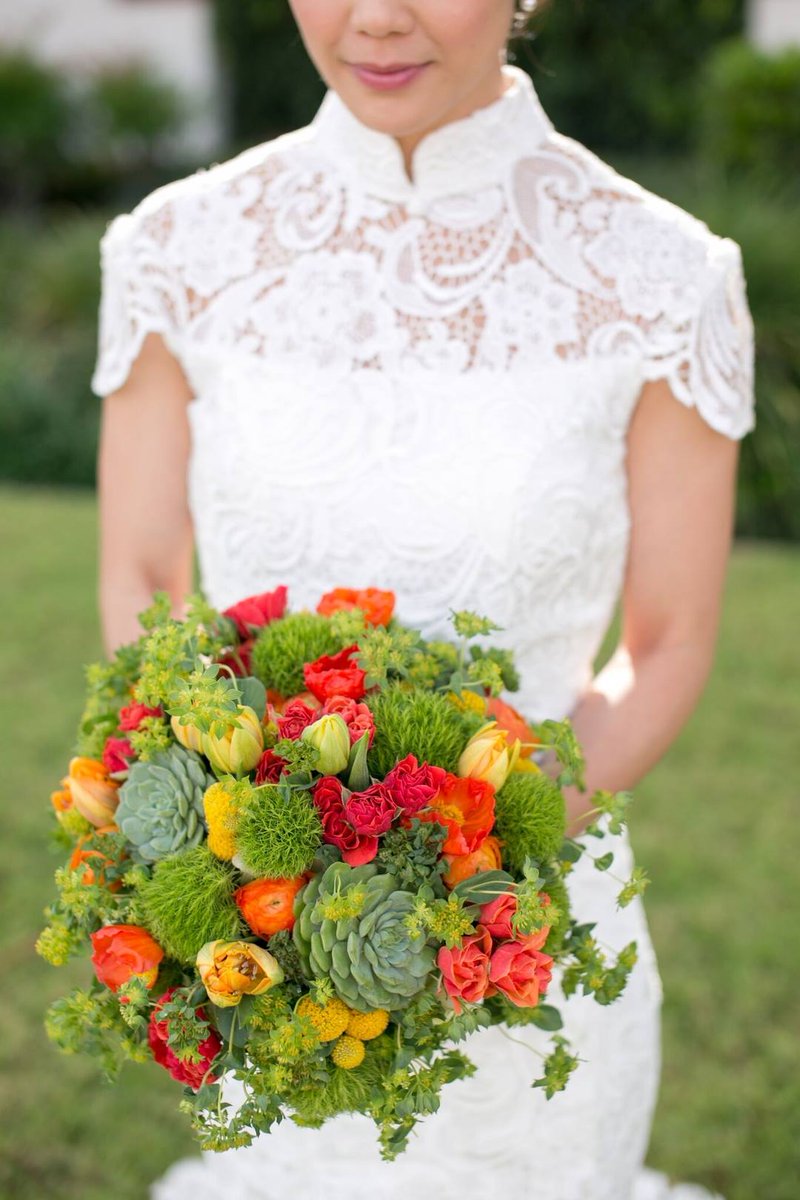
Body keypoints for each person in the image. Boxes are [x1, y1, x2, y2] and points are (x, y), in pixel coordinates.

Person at [90, 2, 755, 1197]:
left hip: (526, 936)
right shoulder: (176, 248)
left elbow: (667, 641)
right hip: (267, 933)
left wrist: (482, 861)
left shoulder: (660, 275)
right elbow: (144, 580)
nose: (376, 16)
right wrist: (209, 826)